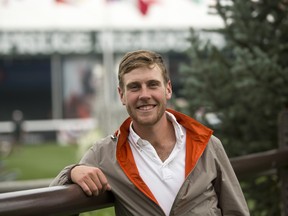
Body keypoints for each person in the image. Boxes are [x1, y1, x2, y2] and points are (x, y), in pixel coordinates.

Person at [50, 50, 250, 215]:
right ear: (122, 95)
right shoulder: (105, 154)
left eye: (153, 84)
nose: (144, 95)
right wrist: (73, 172)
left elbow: (236, 211)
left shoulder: (208, 145)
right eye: (134, 87)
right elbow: (52, 201)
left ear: (168, 89)